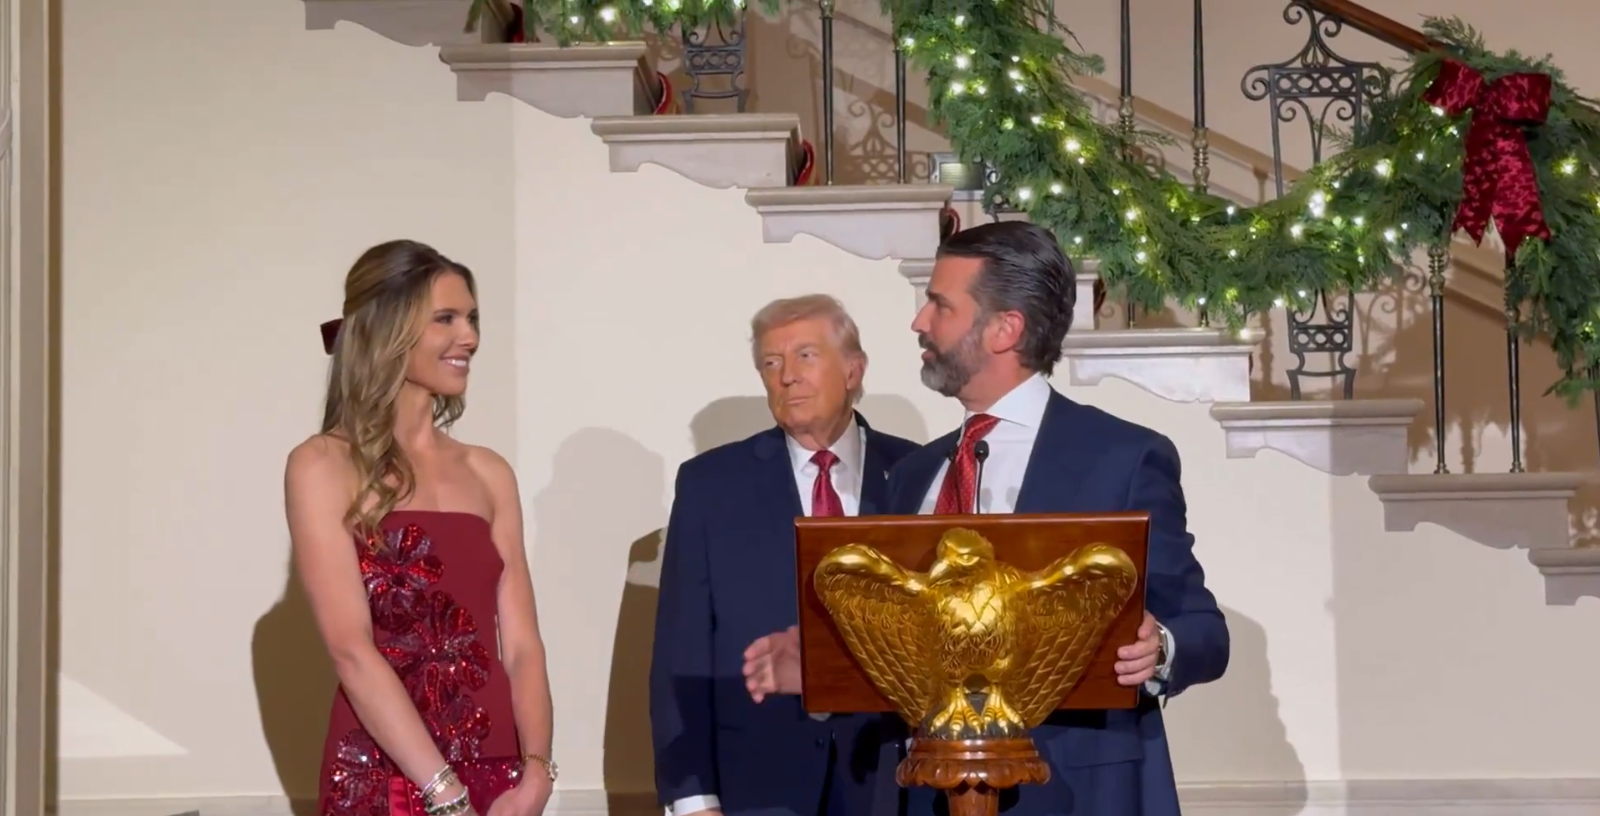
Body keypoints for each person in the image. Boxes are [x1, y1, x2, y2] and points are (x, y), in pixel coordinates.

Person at [887, 221, 1230, 816]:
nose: (920, 321)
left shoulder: (1121, 458)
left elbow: (1202, 628)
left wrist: (1160, 649)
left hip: (1077, 792)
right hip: (928, 792)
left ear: (1005, 329)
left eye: (940, 305)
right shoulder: (913, 475)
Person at [287, 240, 556, 816]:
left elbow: (523, 646)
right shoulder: (321, 465)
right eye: (446, 319)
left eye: (472, 319)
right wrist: (444, 794)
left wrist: (536, 773)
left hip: (499, 775)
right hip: (381, 773)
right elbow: (350, 649)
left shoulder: (489, 472)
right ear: (387, 329)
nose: (470, 337)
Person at [650, 294, 920, 816]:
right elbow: (681, 650)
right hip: (758, 781)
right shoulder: (711, 485)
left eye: (805, 356)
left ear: (853, 369)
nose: (787, 376)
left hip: (893, 777)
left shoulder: (917, 472)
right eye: (771, 363)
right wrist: (692, 797)